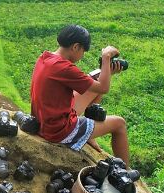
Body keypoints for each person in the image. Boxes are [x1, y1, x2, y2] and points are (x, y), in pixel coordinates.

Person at [30, 24, 128, 165]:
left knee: (93, 84)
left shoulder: (45, 58)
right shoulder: (65, 68)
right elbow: (104, 87)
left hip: (44, 121)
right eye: (83, 51)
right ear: (76, 47)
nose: (82, 56)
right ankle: (125, 173)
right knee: (119, 124)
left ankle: (88, 135)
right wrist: (106, 57)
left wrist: (107, 72)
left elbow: (97, 86)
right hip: (58, 130)